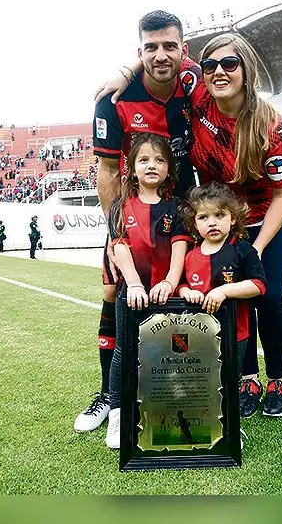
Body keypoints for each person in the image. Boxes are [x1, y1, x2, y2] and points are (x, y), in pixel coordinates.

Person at [99, 32, 282, 419]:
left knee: (269, 295)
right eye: (211, 65)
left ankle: (276, 379)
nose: (219, 72)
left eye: (230, 64)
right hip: (216, 217)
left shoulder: (271, 126)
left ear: (246, 69)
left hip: (264, 215)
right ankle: (246, 377)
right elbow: (166, 56)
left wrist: (254, 250)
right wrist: (128, 70)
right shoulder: (197, 87)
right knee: (224, 294)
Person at [77, 10, 198, 435]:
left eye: (169, 46)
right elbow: (108, 171)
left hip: (185, 214)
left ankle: (185, 392)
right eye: (150, 47)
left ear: (183, 50)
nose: (160, 55)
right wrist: (117, 230)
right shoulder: (114, 100)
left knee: (188, 292)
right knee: (116, 291)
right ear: (139, 50)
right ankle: (109, 396)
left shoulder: (195, 85)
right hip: (134, 212)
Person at [104, 133, 190, 449]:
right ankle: (116, 416)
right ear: (132, 168)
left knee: (171, 353)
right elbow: (120, 247)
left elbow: (180, 247)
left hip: (168, 295)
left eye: (159, 160)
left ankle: (169, 413)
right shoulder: (121, 206)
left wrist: (169, 282)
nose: (151, 165)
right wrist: (135, 284)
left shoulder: (178, 209)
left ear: (168, 169)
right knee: (124, 353)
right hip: (134, 293)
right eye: (143, 160)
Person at [177, 182, 267, 411]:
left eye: (219, 215)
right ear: (194, 224)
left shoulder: (242, 249)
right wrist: (187, 292)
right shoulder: (190, 255)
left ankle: (227, 425)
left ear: (233, 218)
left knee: (228, 378)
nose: (212, 222)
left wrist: (223, 291)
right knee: (202, 375)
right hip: (198, 334)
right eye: (204, 217)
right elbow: (182, 284)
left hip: (235, 333)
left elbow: (258, 285)